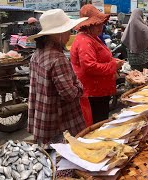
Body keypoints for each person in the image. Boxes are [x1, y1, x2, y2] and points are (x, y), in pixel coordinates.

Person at [27, 9, 88, 144]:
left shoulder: (36, 54)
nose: (69, 35)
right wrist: (79, 86)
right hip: (61, 125)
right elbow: (70, 94)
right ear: (56, 34)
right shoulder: (57, 59)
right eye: (67, 31)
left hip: (44, 120)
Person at [70, 4, 124, 125]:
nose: (102, 26)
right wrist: (113, 66)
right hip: (93, 94)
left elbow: (99, 59)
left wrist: (113, 62)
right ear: (89, 25)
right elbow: (89, 67)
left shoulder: (92, 37)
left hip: (99, 92)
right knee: (96, 126)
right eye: (98, 23)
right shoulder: (84, 40)